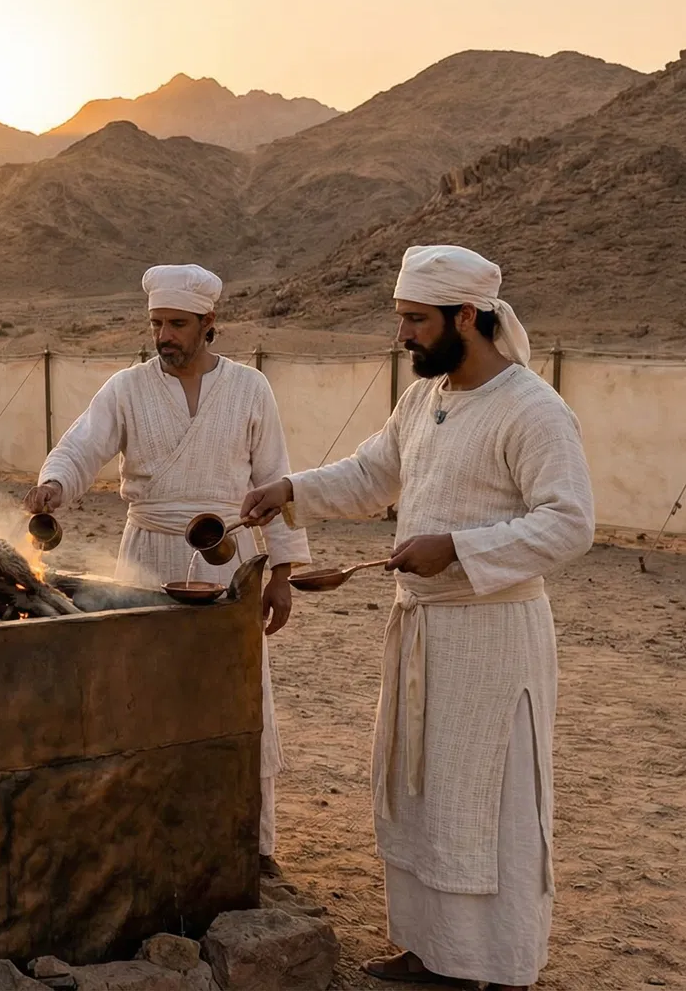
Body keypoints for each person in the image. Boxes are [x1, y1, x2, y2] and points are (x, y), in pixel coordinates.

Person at [241, 245, 594, 990]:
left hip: (492, 638)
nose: (402, 335)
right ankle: (431, 950)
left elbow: (569, 525)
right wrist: (288, 489)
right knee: (418, 787)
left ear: (467, 317)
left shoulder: (533, 409)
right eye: (400, 318)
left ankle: (491, 964)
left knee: (485, 797)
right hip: (424, 631)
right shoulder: (424, 400)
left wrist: (458, 549)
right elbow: (373, 474)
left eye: (415, 321)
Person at [26, 263, 310, 872]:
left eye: (177, 324)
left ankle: (249, 844)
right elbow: (83, 445)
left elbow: (273, 480)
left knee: (235, 693)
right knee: (141, 694)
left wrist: (282, 572)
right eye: (157, 323)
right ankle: (141, 833)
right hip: (145, 558)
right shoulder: (127, 388)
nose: (164, 335)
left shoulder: (251, 389)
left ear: (209, 324)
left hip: (224, 556)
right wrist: (54, 485)